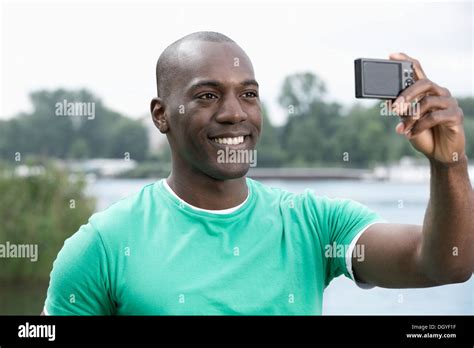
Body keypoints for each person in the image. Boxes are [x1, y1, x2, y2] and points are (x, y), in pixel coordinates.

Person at [43, 31, 473, 315]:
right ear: (161, 116)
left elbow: (445, 266)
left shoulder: (314, 224)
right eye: (208, 95)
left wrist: (448, 163)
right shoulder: (102, 246)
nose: (234, 113)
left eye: (248, 95)